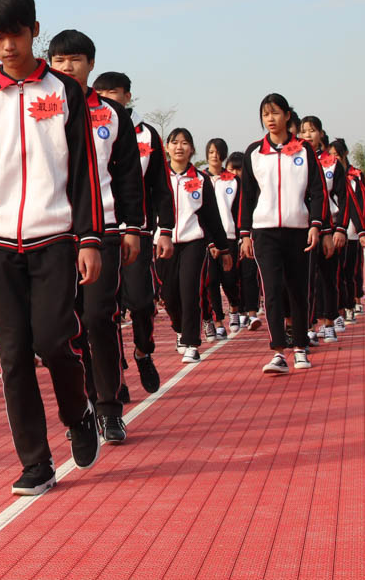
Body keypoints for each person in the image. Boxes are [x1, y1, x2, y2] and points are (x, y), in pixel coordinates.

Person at [0, 0, 103, 496]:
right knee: (13, 356)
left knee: (53, 341)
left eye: (16, 34)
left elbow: (83, 171)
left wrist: (89, 238)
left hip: (55, 238)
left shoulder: (66, 92)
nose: (8, 46)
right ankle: (36, 461)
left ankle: (78, 413)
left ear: (34, 30)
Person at [47, 30, 143, 445]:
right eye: (59, 60)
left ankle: (109, 407)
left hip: (103, 230)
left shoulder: (112, 114)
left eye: (75, 60)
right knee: (62, 328)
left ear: (91, 65)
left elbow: (127, 176)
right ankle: (80, 408)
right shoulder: (39, 110)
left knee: (98, 318)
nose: (67, 67)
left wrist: (132, 227)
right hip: (53, 232)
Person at [91, 72, 174, 396]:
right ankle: (117, 376)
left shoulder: (147, 135)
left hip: (136, 231)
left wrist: (164, 230)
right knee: (105, 310)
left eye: (113, 92)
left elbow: (161, 186)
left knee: (141, 302)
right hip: (98, 231)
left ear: (127, 96)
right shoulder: (83, 125)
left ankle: (143, 351)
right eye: (101, 93)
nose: (106, 98)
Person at [239, 93, 330, 375]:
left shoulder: (304, 150)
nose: (270, 119)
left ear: (287, 116)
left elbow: (318, 190)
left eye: (276, 113)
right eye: (265, 114)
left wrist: (316, 224)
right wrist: (245, 234)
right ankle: (278, 351)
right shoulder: (254, 152)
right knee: (272, 289)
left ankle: (300, 347)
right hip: (264, 232)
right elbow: (247, 196)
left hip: (299, 230)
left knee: (298, 290)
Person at [158, 128, 229, 364]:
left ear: (192, 149)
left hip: (194, 243)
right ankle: (179, 329)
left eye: (185, 143)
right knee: (169, 295)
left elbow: (212, 216)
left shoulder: (200, 179)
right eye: (174, 142)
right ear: (167, 147)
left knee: (190, 292)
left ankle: (191, 343)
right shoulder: (157, 177)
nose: (179, 147)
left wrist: (223, 248)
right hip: (163, 243)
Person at [300, 116, 348, 343]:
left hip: (328, 228)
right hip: (303, 227)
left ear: (320, 133)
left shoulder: (332, 163)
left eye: (312, 130)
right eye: (303, 131)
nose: (307, 135)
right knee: (306, 279)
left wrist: (340, 229)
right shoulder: (295, 160)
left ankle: (329, 322)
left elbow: (343, 198)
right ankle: (309, 325)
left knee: (329, 278)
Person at [203, 137, 239, 337]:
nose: (214, 156)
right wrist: (210, 240)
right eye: (211, 152)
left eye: (218, 152)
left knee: (229, 279)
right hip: (206, 238)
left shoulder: (233, 180)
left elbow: (239, 210)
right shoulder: (199, 179)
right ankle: (218, 321)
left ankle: (234, 307)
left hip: (229, 236)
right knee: (211, 281)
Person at [332, 138, 365, 319]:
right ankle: (342, 306)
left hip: (352, 229)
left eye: (336, 154)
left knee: (352, 270)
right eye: (331, 155)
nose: (334, 158)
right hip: (333, 228)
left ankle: (354, 301)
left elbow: (362, 202)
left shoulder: (356, 175)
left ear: (345, 154)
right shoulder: (325, 172)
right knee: (337, 271)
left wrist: (364, 227)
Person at [226, 152, 262, 330]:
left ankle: (252, 313)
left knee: (249, 274)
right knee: (232, 276)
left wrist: (247, 234)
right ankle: (238, 310)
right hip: (229, 238)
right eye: (232, 169)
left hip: (248, 236)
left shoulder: (253, 188)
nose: (236, 173)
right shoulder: (223, 187)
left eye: (239, 169)